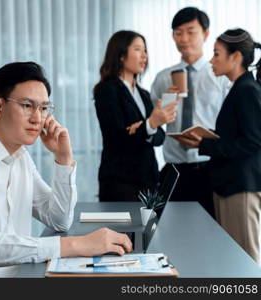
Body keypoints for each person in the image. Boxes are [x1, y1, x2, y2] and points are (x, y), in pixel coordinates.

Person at [0, 62, 133, 277]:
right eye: (27, 105)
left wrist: (63, 158)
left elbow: (59, 219)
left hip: (21, 276)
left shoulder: (20, 157)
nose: (37, 118)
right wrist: (79, 244)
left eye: (43, 108)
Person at [177, 29, 261, 263]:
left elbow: (253, 141)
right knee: (233, 257)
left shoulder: (246, 90)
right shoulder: (239, 89)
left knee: (245, 258)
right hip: (229, 184)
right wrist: (206, 139)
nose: (212, 60)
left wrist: (205, 144)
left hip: (240, 186)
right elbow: (238, 135)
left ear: (235, 57)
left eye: (216, 54)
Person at [150, 7, 230, 218]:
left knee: (214, 233)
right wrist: (167, 101)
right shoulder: (162, 78)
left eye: (191, 31)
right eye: (178, 32)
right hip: (174, 170)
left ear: (205, 34)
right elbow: (153, 127)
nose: (184, 38)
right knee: (170, 231)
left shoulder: (221, 76)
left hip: (210, 167)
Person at [93, 30, 177, 202]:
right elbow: (116, 137)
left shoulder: (144, 94)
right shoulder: (107, 90)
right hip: (120, 182)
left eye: (145, 51)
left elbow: (160, 137)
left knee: (149, 230)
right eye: (138, 49)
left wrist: (147, 127)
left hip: (149, 181)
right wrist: (150, 125)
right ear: (121, 55)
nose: (144, 56)